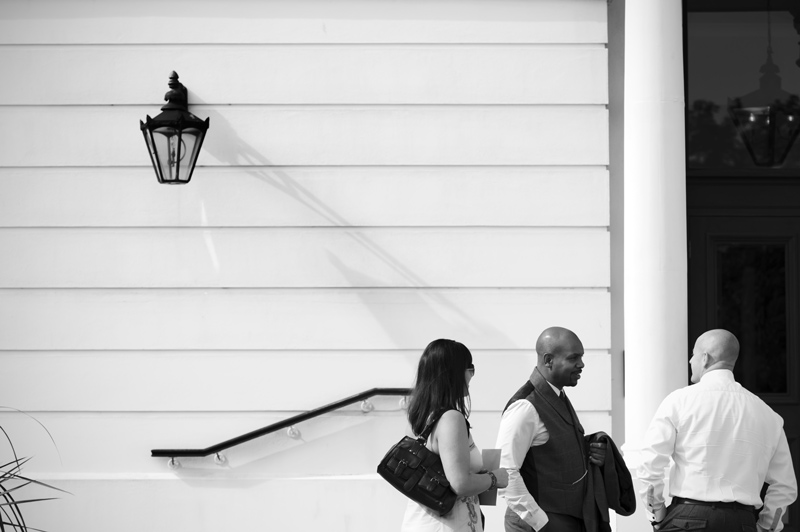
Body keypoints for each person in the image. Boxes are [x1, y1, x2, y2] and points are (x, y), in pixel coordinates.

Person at [638, 329, 798, 532]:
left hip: (687, 519)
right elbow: (784, 486)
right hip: (742, 522)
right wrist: (766, 527)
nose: (690, 361)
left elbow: (650, 465)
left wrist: (657, 516)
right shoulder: (768, 415)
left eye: (693, 354)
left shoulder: (678, 401)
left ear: (704, 358)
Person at [496, 326, 607, 532]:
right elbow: (505, 471)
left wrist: (589, 450)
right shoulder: (525, 407)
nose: (581, 364)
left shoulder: (557, 395)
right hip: (539, 523)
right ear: (548, 360)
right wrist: (540, 522)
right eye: (574, 358)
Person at [401, 339, 510, 531]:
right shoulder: (451, 418)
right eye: (470, 368)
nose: (472, 375)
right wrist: (495, 477)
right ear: (455, 372)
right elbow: (460, 483)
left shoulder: (420, 416)